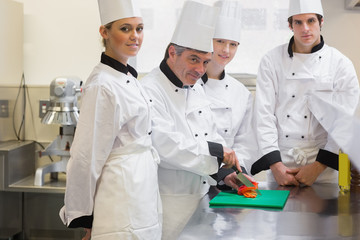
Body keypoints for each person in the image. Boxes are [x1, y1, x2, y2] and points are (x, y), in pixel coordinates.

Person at [59, 0, 162, 239]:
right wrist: (84, 216)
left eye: (139, 28)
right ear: (104, 32)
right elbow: (86, 154)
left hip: (141, 189)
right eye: (125, 29)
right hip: (118, 191)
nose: (135, 36)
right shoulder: (102, 85)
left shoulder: (128, 77)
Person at [140, 1, 242, 239]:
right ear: (172, 53)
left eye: (206, 62)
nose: (200, 70)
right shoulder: (149, 89)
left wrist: (225, 173)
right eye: (193, 59)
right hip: (168, 204)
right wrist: (218, 152)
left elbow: (209, 131)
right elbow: (166, 145)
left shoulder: (194, 86)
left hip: (202, 201)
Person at [252, 0, 359, 186]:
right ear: (290, 25)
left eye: (311, 21)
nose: (305, 28)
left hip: (324, 168)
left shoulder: (340, 64)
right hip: (281, 164)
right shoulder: (271, 61)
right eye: (298, 22)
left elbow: (342, 123)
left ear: (321, 22)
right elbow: (264, 115)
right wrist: (276, 166)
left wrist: (317, 167)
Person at [200, 0, 257, 183]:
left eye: (233, 44)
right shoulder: (189, 86)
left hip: (231, 178)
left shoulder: (241, 92)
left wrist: (235, 172)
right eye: (220, 42)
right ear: (208, 41)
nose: (226, 50)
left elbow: (246, 140)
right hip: (196, 176)